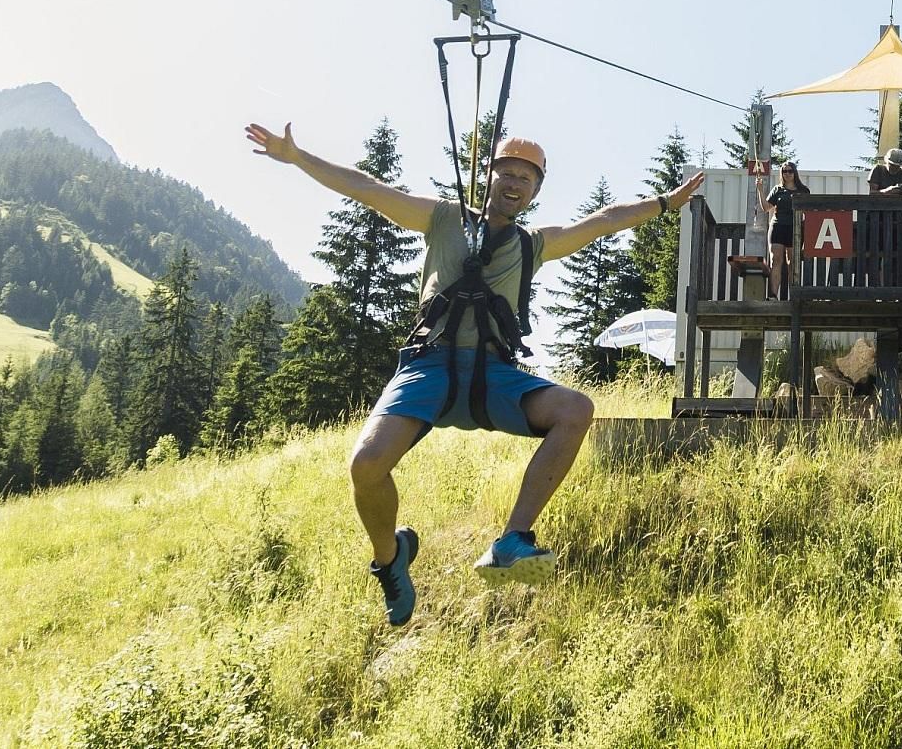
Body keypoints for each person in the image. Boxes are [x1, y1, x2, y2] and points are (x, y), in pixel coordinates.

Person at [245, 120, 704, 626]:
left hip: (493, 374)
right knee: (366, 464)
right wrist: (299, 157)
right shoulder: (442, 219)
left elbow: (604, 220)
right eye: (506, 173)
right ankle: (390, 558)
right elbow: (368, 189)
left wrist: (666, 203)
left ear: (536, 190)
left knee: (575, 409)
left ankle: (512, 540)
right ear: (488, 176)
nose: (514, 183)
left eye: (525, 178)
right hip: (430, 366)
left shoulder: (533, 244)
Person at [759, 161, 809, 296]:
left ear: (795, 173)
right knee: (776, 260)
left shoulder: (803, 191)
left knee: (793, 262)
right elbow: (766, 207)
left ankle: (794, 296)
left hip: (795, 229)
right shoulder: (777, 189)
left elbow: (808, 212)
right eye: (784, 171)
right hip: (777, 227)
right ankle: (773, 296)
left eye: (790, 171)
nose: (787, 174)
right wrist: (760, 190)